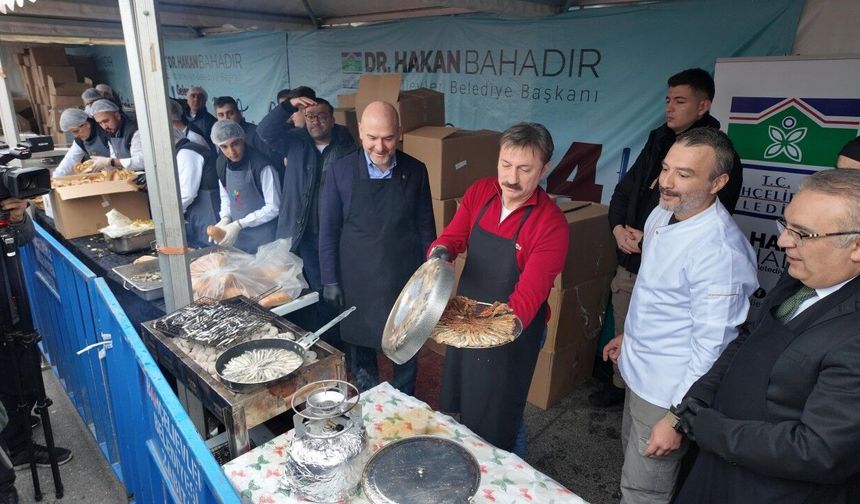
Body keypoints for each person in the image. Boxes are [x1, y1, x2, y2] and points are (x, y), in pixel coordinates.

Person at [673, 168, 860, 504]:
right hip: (714, 470)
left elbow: (818, 450)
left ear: (857, 246)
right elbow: (748, 337)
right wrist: (700, 395)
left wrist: (712, 430)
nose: (783, 241)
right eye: (786, 225)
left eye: (804, 234)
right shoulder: (799, 277)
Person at [601, 128, 758, 504]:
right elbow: (656, 292)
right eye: (667, 168)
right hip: (639, 369)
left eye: (684, 174)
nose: (667, 183)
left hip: (669, 392)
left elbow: (713, 349)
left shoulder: (720, 253)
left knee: (645, 491)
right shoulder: (662, 213)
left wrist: (677, 419)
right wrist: (629, 337)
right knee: (631, 465)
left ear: (718, 182)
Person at [595, 67, 745, 408]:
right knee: (628, 330)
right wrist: (618, 228)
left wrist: (650, 243)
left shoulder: (722, 161)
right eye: (667, 100)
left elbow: (700, 225)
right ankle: (623, 388)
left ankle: (660, 408)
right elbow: (624, 192)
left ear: (703, 106)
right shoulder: (658, 140)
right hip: (631, 265)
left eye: (680, 101)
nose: (668, 182)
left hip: (669, 384)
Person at [428, 122, 568, 453]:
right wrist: (440, 254)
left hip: (512, 333)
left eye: (524, 169)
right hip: (466, 321)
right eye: (505, 165)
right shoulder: (481, 192)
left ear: (544, 168)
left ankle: (510, 477)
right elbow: (453, 236)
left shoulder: (551, 225)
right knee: (467, 403)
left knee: (501, 414)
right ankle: (468, 461)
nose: (511, 178)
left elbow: (528, 297)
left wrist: (488, 331)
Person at [319, 101, 435, 395]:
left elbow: (425, 227)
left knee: (405, 351)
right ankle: (370, 403)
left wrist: (429, 278)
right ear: (360, 132)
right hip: (357, 281)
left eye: (387, 137)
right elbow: (328, 231)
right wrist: (330, 279)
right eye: (371, 138)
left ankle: (405, 399)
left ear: (400, 132)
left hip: (403, 280)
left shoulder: (416, 171)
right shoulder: (340, 172)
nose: (380, 147)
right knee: (361, 356)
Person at [0, 199, 72, 504]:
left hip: (9, 300)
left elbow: (23, 238)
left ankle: (17, 420)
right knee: (8, 371)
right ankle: (16, 446)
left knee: (22, 364)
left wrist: (17, 217)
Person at [209, 119, 280, 254]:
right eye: (224, 146)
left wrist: (239, 224)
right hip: (237, 238)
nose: (231, 152)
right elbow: (226, 197)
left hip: (265, 239)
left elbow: (274, 207)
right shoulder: (221, 164)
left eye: (235, 144)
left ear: (242, 139)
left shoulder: (262, 166)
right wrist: (225, 218)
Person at [172, 129, 219, 248]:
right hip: (200, 212)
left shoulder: (187, 153)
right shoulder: (185, 150)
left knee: (211, 252)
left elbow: (187, 193)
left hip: (208, 211)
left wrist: (171, 215)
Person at [213, 96, 279, 167]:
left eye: (230, 113)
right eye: (221, 115)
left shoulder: (256, 134)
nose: (226, 118)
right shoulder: (219, 138)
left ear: (239, 114)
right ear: (216, 118)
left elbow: (273, 163)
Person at [53, 108, 110, 177]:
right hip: (103, 174)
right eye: (72, 132)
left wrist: (108, 163)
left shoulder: (105, 131)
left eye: (76, 131)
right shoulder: (80, 140)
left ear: (86, 124)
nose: (75, 135)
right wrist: (55, 177)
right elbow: (70, 159)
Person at [91, 99, 143, 171]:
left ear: (117, 115)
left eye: (106, 121)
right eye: (100, 123)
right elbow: (114, 156)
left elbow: (141, 162)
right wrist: (106, 166)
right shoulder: (110, 133)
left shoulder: (134, 131)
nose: (104, 126)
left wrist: (111, 162)